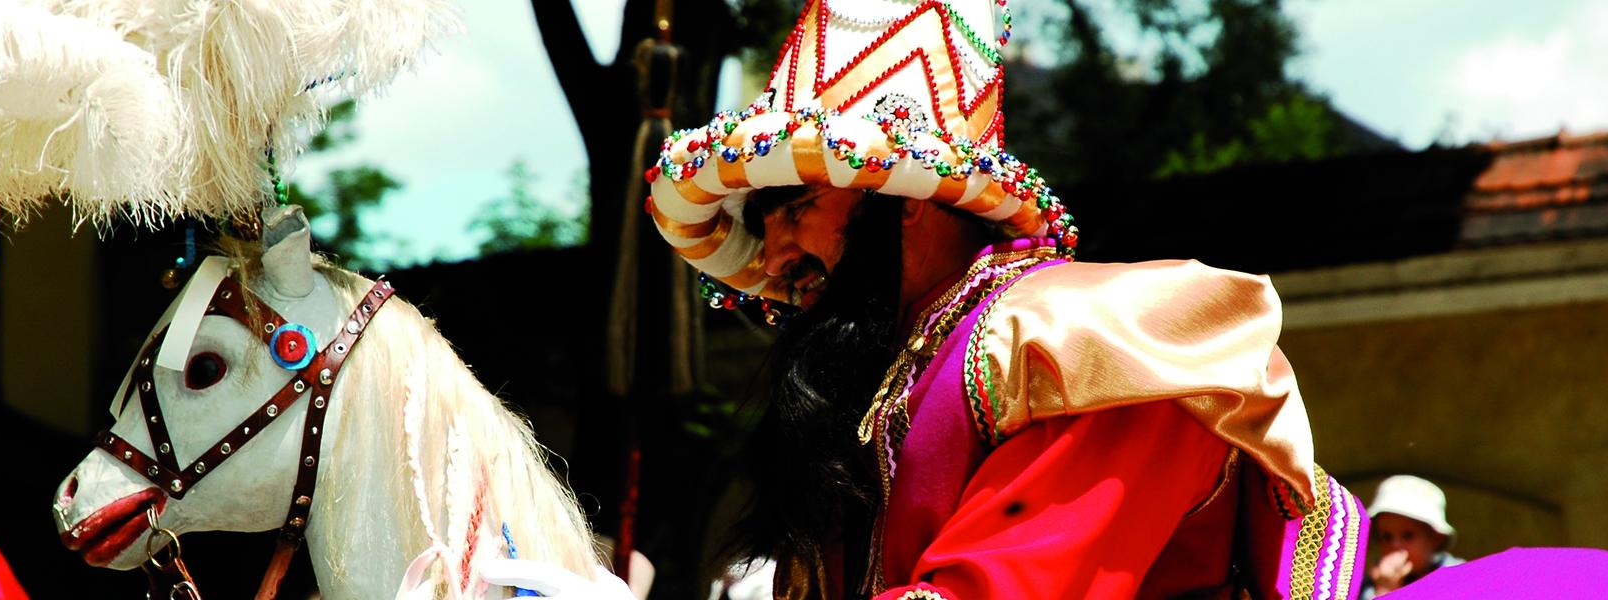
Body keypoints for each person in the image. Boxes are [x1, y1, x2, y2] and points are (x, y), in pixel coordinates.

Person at [485, 1, 1368, 598]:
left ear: (903, 201)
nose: (778, 252)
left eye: (795, 207)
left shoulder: (1090, 345)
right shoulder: (872, 393)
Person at [1363, 476, 1464, 598]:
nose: (1395, 545)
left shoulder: (1457, 577)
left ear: (1437, 537)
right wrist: (1384, 590)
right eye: (1387, 537)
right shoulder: (1374, 582)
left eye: (1407, 536)